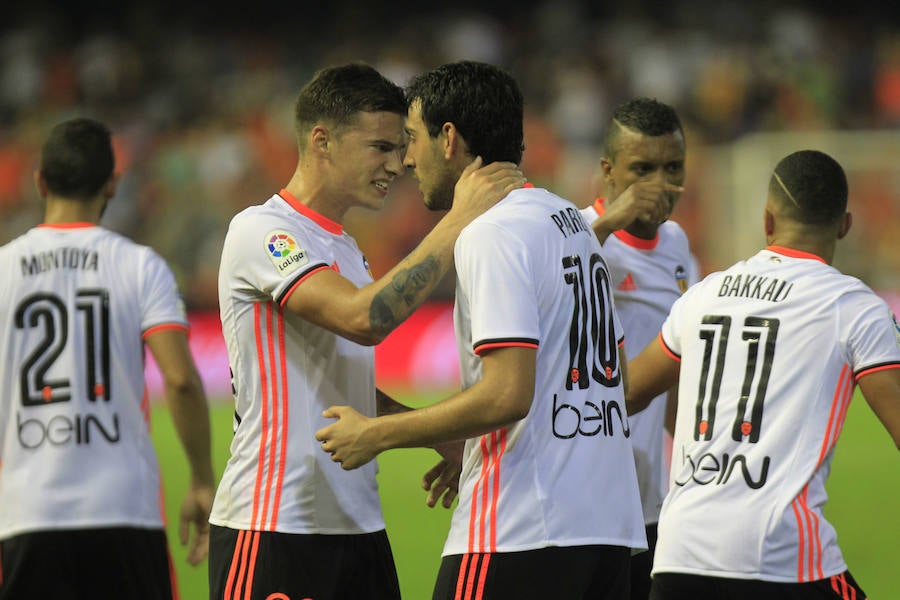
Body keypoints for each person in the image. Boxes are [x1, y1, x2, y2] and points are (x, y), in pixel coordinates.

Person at [315, 60, 647, 600]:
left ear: (449, 139)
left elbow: (507, 394)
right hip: (606, 530)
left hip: (522, 529)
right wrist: (473, 445)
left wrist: (377, 434)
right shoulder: (567, 221)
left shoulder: (493, 232)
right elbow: (617, 380)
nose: (406, 160)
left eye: (412, 139)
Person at [208, 62, 523, 600]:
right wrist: (456, 220)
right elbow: (363, 320)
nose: (397, 164)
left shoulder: (345, 250)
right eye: (380, 146)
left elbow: (345, 390)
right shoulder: (263, 230)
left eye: (400, 147)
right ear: (322, 140)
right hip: (275, 525)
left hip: (358, 528)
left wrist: (443, 439)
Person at [624, 149, 900, 600]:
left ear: (768, 220)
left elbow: (629, 391)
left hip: (680, 554)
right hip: (779, 553)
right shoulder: (853, 307)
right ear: (845, 226)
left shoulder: (704, 294)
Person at [0, 117, 215, 599]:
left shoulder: (3, 271)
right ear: (112, 184)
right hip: (123, 509)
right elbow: (180, 380)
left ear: (40, 181)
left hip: (26, 513)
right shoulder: (139, 266)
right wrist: (201, 478)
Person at [579, 97, 697, 599]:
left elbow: (675, 366)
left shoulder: (677, 245)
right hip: (583, 494)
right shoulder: (577, 234)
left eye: (672, 168)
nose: (660, 185)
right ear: (608, 171)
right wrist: (606, 226)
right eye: (642, 169)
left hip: (650, 495)